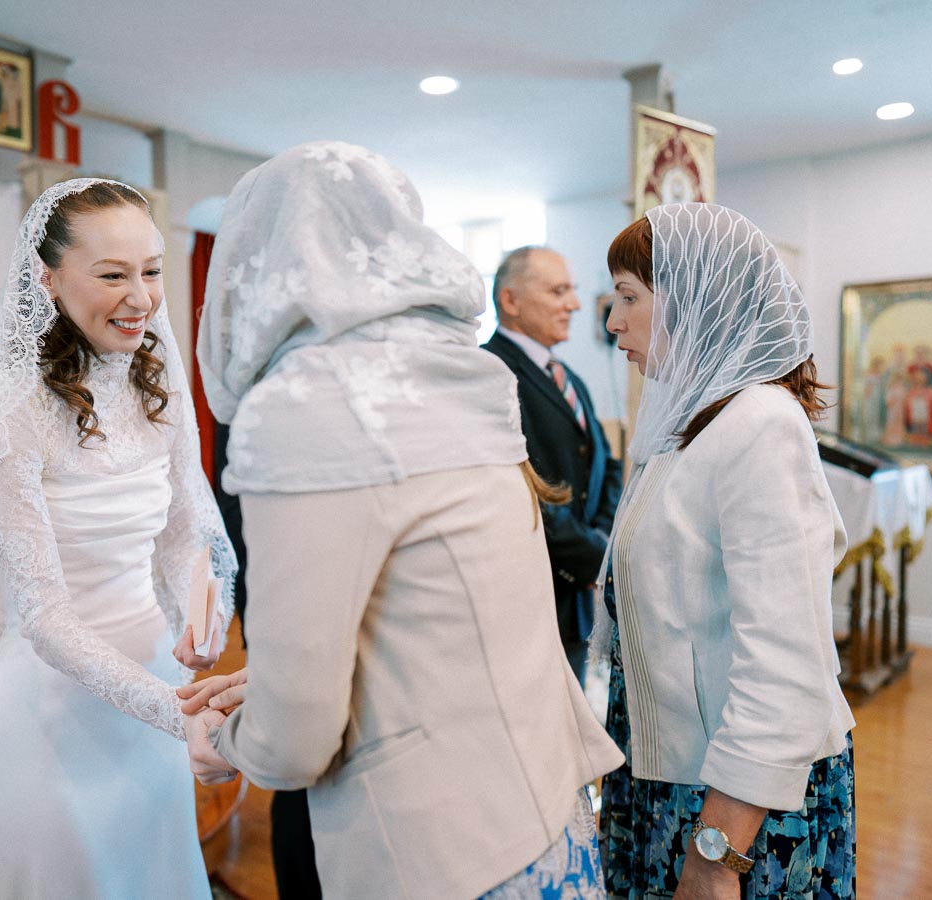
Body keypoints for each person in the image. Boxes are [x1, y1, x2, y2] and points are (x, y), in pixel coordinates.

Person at [182, 141, 623, 900]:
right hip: (544, 815)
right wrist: (280, 678)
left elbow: (295, 745)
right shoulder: (469, 372)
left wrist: (224, 739)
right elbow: (436, 621)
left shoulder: (300, 407)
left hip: (438, 850)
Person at [0, 178, 237, 899]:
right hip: (52, 714)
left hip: (155, 682)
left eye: (151, 270)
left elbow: (187, 527)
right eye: (113, 274)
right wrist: (176, 711)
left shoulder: (153, 376)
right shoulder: (11, 411)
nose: (142, 297)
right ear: (49, 277)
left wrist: (199, 617)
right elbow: (43, 617)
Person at [601, 203, 856, 899]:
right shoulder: (688, 429)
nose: (612, 322)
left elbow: (785, 664)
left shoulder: (760, 426)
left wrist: (716, 857)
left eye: (629, 298)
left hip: (737, 803)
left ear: (692, 301)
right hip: (672, 780)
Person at [483, 246, 623, 683]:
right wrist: (594, 557)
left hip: (575, 600)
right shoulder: (489, 372)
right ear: (510, 300)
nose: (576, 305)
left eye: (573, 291)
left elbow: (607, 464)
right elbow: (516, 485)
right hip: (528, 591)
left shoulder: (567, 376)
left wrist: (603, 534)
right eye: (559, 291)